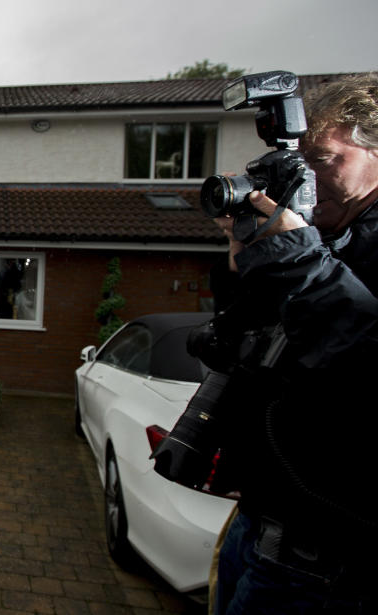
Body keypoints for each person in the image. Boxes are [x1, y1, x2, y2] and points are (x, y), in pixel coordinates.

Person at [211, 73, 378, 614]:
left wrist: (302, 263)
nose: (306, 177)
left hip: (328, 563)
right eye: (298, 159)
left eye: (325, 158)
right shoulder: (327, 239)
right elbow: (261, 353)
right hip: (259, 523)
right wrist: (248, 261)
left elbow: (363, 361)